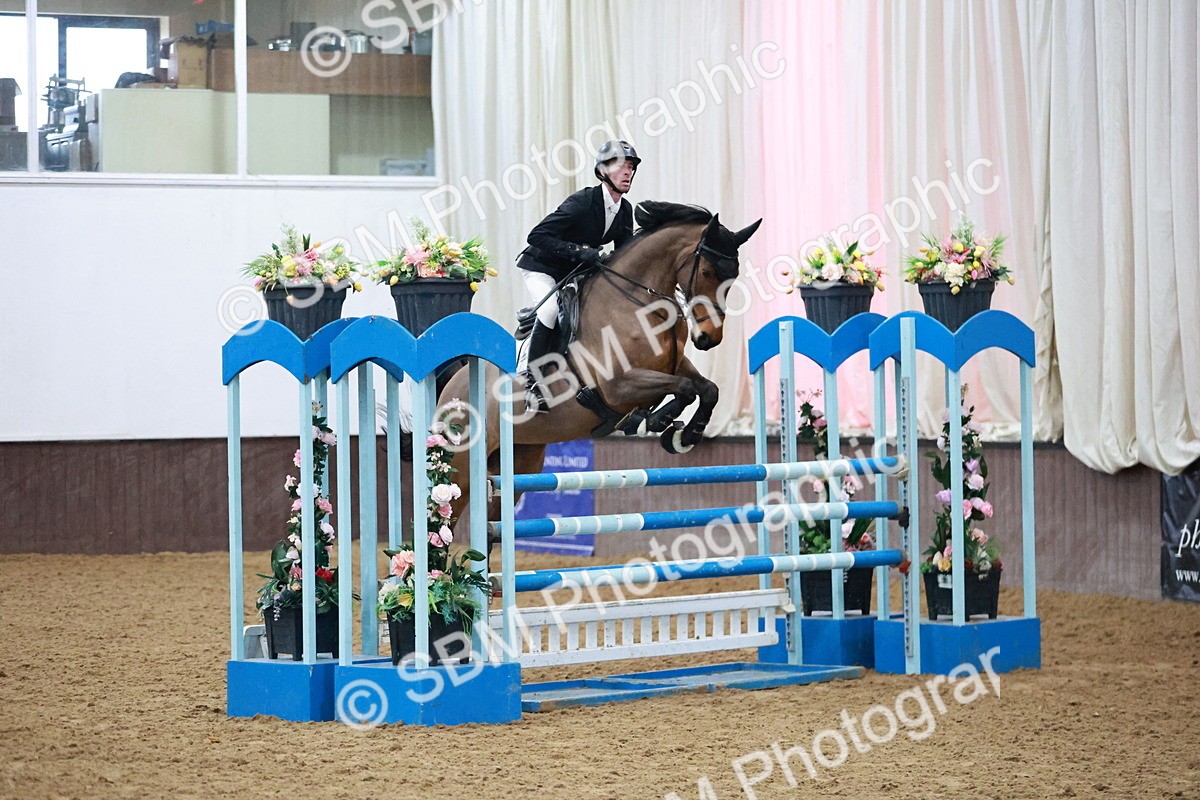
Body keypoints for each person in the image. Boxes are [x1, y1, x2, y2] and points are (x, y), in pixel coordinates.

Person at [516, 139, 640, 412]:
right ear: (603, 171)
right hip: (543, 268)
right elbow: (536, 235)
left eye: (631, 166)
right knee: (549, 311)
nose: (627, 172)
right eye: (621, 165)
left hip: (574, 274)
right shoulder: (583, 202)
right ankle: (531, 384)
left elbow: (623, 257)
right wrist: (579, 250)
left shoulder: (625, 210)